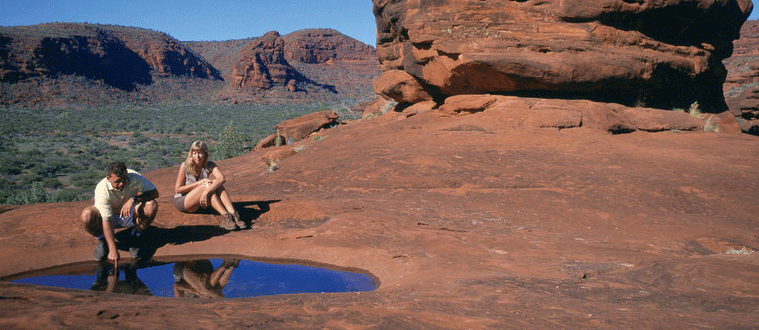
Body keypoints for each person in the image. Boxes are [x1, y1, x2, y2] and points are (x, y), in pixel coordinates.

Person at [80, 161, 159, 265]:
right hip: (108, 217)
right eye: (117, 181)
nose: (122, 183)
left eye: (124, 179)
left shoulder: (134, 176)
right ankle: (103, 240)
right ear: (108, 179)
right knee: (87, 215)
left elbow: (154, 192)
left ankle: (135, 235)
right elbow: (107, 220)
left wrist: (134, 199)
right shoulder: (102, 189)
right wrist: (113, 249)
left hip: (129, 213)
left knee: (151, 205)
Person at [174, 140, 244, 230]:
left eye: (200, 153)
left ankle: (234, 215)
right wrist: (199, 184)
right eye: (194, 153)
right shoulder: (185, 166)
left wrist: (206, 192)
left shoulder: (210, 165)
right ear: (191, 154)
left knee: (217, 184)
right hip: (184, 201)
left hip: (201, 200)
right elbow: (178, 189)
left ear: (205, 154)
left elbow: (222, 178)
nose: (197, 156)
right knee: (207, 184)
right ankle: (226, 217)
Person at [172, 259, 239, 298]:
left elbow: (176, 286)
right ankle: (230, 265)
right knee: (214, 288)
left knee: (202, 288)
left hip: (182, 269)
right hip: (202, 268)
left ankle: (226, 265)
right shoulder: (205, 298)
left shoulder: (184, 302)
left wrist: (195, 291)